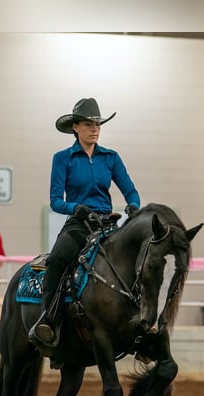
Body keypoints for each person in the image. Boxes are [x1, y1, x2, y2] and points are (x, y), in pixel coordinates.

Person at [29, 97, 141, 349]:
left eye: (98, 124)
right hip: (79, 224)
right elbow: (56, 200)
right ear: (76, 127)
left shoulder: (111, 158)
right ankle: (49, 319)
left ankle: (143, 323)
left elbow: (130, 191)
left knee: (140, 262)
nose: (95, 129)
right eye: (89, 124)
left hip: (107, 224)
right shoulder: (63, 158)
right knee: (58, 260)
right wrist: (75, 208)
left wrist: (133, 206)